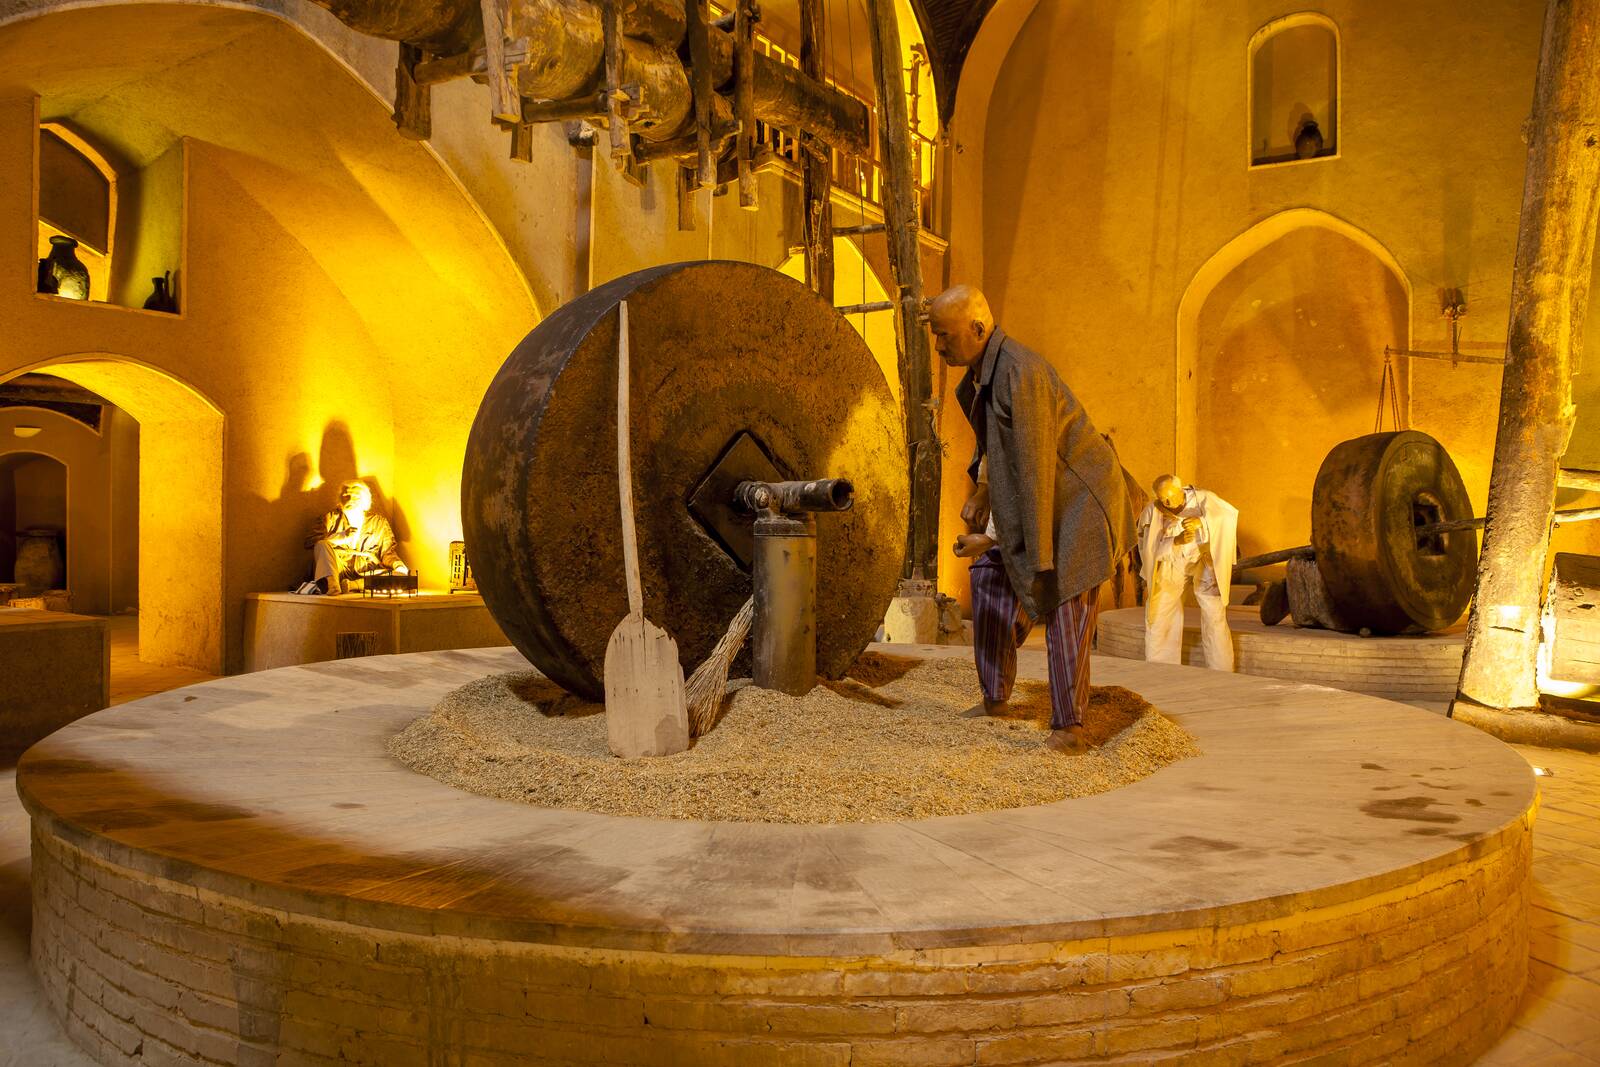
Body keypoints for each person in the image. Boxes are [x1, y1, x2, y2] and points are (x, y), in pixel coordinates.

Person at [935, 284, 1136, 755]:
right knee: (990, 578)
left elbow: (1035, 469)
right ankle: (995, 698)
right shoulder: (984, 373)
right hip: (1041, 496)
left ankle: (1069, 729)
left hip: (1079, 501)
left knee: (1063, 595)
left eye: (945, 335)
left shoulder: (1021, 374)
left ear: (978, 329)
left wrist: (993, 539)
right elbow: (1001, 449)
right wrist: (985, 491)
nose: (939, 346)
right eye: (936, 335)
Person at [1137, 475, 1238, 671]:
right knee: (1161, 610)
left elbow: (1228, 517)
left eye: (1170, 497)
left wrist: (1202, 523)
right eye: (1163, 499)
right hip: (1172, 561)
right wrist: (1176, 541)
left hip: (1205, 558)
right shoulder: (1153, 511)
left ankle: (1221, 669)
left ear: (1180, 490)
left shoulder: (1204, 499)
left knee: (1213, 612)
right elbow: (1148, 547)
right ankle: (1161, 668)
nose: (1167, 503)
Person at [302, 480, 407, 595]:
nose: (351, 499)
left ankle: (353, 585)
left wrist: (398, 566)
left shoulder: (378, 522)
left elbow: (387, 552)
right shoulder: (330, 518)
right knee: (321, 545)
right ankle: (333, 585)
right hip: (337, 569)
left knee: (401, 577)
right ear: (340, 498)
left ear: (365, 500)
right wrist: (339, 537)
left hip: (367, 571)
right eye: (346, 495)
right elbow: (311, 543)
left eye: (356, 496)